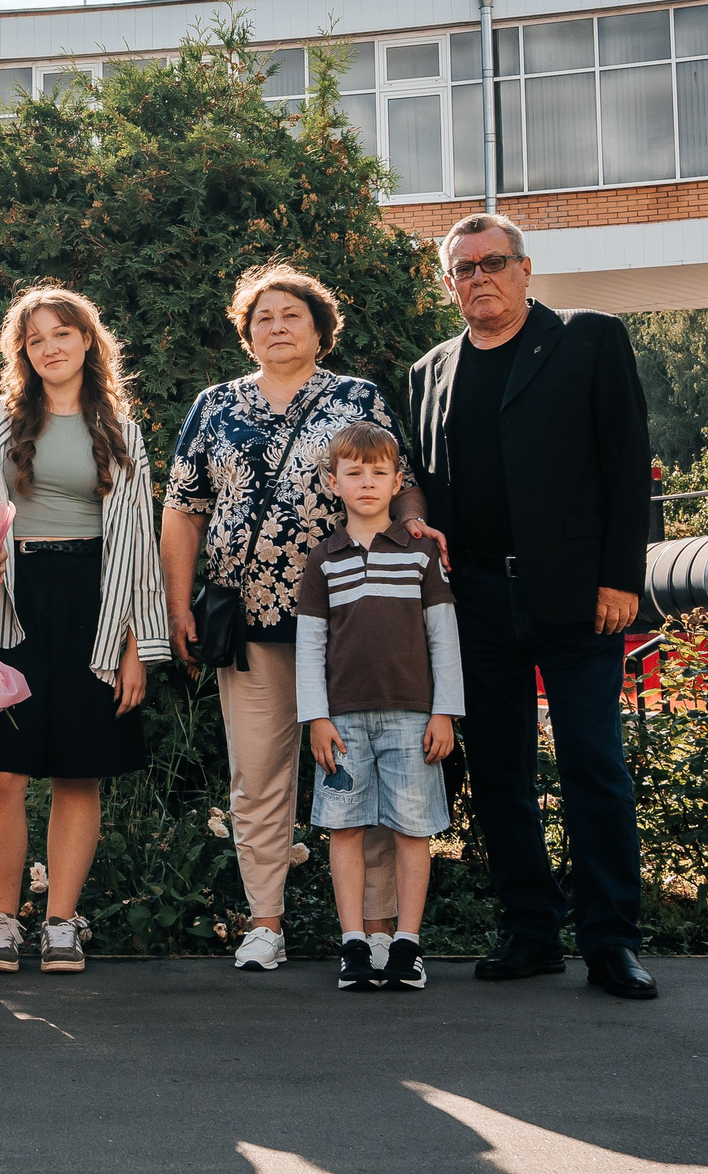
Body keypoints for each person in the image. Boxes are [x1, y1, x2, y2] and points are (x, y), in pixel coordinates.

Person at [405, 212, 657, 1000]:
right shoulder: (429, 372)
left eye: (493, 262)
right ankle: (531, 929)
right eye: (463, 268)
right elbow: (421, 474)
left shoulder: (589, 339)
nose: (478, 277)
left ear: (524, 268)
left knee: (593, 764)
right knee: (499, 772)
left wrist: (622, 577)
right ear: (448, 284)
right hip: (476, 597)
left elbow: (626, 462)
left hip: (581, 598)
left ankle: (611, 939)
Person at [159, 262, 435, 972]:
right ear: (247, 333)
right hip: (246, 622)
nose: (275, 326)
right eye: (262, 317)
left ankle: (374, 929)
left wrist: (418, 527)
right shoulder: (215, 405)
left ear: (319, 328)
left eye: (290, 315)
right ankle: (265, 922)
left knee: (361, 768)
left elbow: (397, 480)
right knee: (258, 775)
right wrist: (176, 600)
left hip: (353, 620)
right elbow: (184, 509)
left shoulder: (356, 397)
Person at [0, 286, 170, 975]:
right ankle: (1, 921)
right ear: (21, 351)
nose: (50, 346)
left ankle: (60, 922)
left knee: (79, 772)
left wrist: (135, 644)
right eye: (35, 338)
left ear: (88, 340)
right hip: (9, 605)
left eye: (63, 333)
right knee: (1, 771)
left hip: (94, 602)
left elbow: (138, 540)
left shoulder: (120, 427)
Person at [296, 421, 464, 992]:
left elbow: (443, 636)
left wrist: (445, 712)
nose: (367, 482)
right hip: (341, 721)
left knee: (412, 829)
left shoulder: (420, 554)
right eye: (354, 472)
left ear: (397, 481)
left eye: (378, 472)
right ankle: (352, 945)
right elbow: (311, 647)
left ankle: (407, 945)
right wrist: (315, 717)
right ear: (335, 482)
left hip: (414, 717)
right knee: (344, 829)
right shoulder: (323, 560)